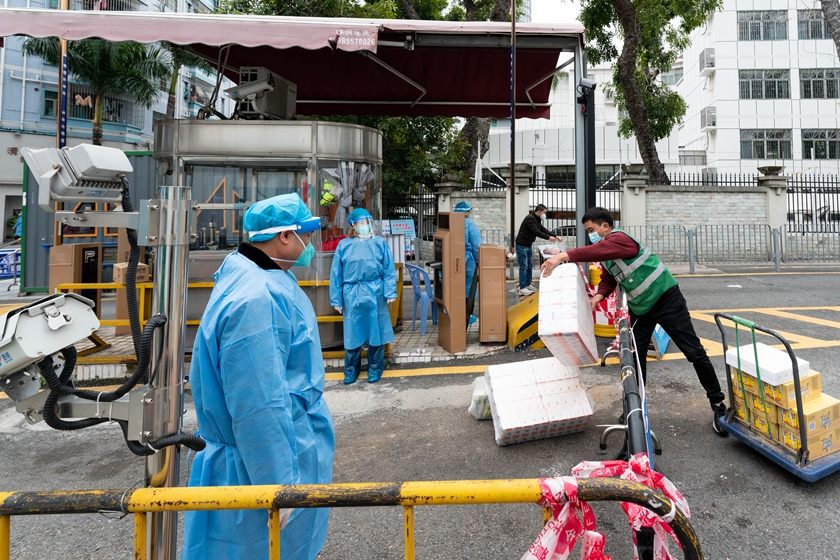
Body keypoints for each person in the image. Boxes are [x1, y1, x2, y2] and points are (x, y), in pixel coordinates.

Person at [182, 193, 335, 560]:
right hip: (259, 468)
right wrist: (279, 486)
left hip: (277, 451)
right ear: (285, 237)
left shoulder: (254, 273)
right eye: (307, 234)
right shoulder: (256, 299)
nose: (310, 244)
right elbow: (259, 405)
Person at [540, 207, 728, 436]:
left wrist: (562, 255)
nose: (590, 234)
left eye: (591, 230)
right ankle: (635, 409)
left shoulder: (620, 239)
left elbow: (599, 249)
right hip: (642, 308)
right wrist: (596, 299)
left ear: (605, 227)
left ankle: (718, 404)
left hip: (666, 299)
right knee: (635, 360)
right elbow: (609, 279)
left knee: (694, 352)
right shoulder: (608, 253)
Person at [330, 208, 397, 384]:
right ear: (353, 225)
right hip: (352, 294)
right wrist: (336, 299)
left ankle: (375, 367)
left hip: (375, 292)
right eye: (361, 223)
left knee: (376, 332)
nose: (365, 226)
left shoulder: (380, 243)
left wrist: (390, 292)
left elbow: (388, 269)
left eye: (368, 222)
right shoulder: (343, 246)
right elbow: (336, 274)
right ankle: (351, 369)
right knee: (353, 333)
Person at [515, 203, 557, 295]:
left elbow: (543, 229)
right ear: (539, 211)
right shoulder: (530, 218)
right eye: (544, 212)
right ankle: (522, 288)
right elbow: (536, 231)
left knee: (530, 265)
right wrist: (549, 238)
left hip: (528, 244)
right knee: (523, 267)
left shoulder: (537, 219)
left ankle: (528, 284)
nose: (544, 215)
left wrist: (555, 236)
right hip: (521, 245)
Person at [454, 201, 482, 325]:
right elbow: (477, 245)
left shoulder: (450, 222)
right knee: (468, 288)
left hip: (451, 258)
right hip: (467, 260)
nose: (469, 214)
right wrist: (479, 260)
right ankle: (466, 316)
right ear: (465, 213)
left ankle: (455, 314)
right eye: (468, 212)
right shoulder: (469, 224)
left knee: (455, 288)